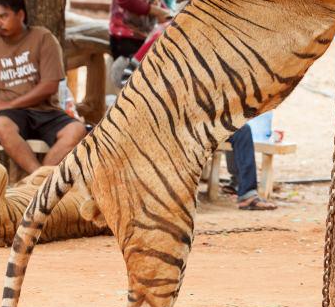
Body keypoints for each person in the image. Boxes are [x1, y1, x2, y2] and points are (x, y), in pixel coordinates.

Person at [116, 21, 277, 211]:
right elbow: (126, 78)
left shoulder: (205, 45)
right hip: (163, 116)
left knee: (242, 129)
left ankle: (247, 194)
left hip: (198, 116)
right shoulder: (160, 38)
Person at [0, 0, 87, 175]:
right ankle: (39, 179)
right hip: (13, 115)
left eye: (3, 16)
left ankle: (38, 181)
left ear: (20, 15)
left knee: (77, 130)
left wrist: (8, 103)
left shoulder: (43, 38)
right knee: (0, 125)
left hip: (46, 111)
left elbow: (50, 85)